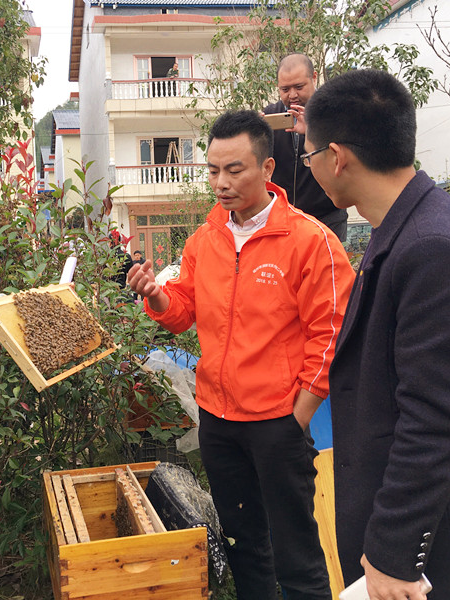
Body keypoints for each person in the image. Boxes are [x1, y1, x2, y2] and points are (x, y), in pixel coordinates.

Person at [127, 109, 355, 600]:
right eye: (213, 170)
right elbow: (183, 310)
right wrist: (155, 294)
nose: (221, 182)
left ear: (268, 169)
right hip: (218, 420)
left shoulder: (311, 241)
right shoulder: (204, 240)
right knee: (244, 546)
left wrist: (299, 415)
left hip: (279, 422)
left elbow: (331, 335)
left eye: (235, 170)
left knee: (296, 553)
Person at [304, 69, 450, 600]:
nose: (310, 167)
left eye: (309, 155)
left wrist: (396, 553)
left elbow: (434, 418)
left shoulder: (432, 247)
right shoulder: (402, 227)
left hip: (443, 548)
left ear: (337, 156)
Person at [263, 53, 348, 241]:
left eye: (299, 87)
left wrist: (312, 130)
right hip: (284, 219)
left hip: (328, 217)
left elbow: (346, 157)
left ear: (314, 77)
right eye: (285, 89)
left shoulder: (334, 111)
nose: (292, 95)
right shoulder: (271, 114)